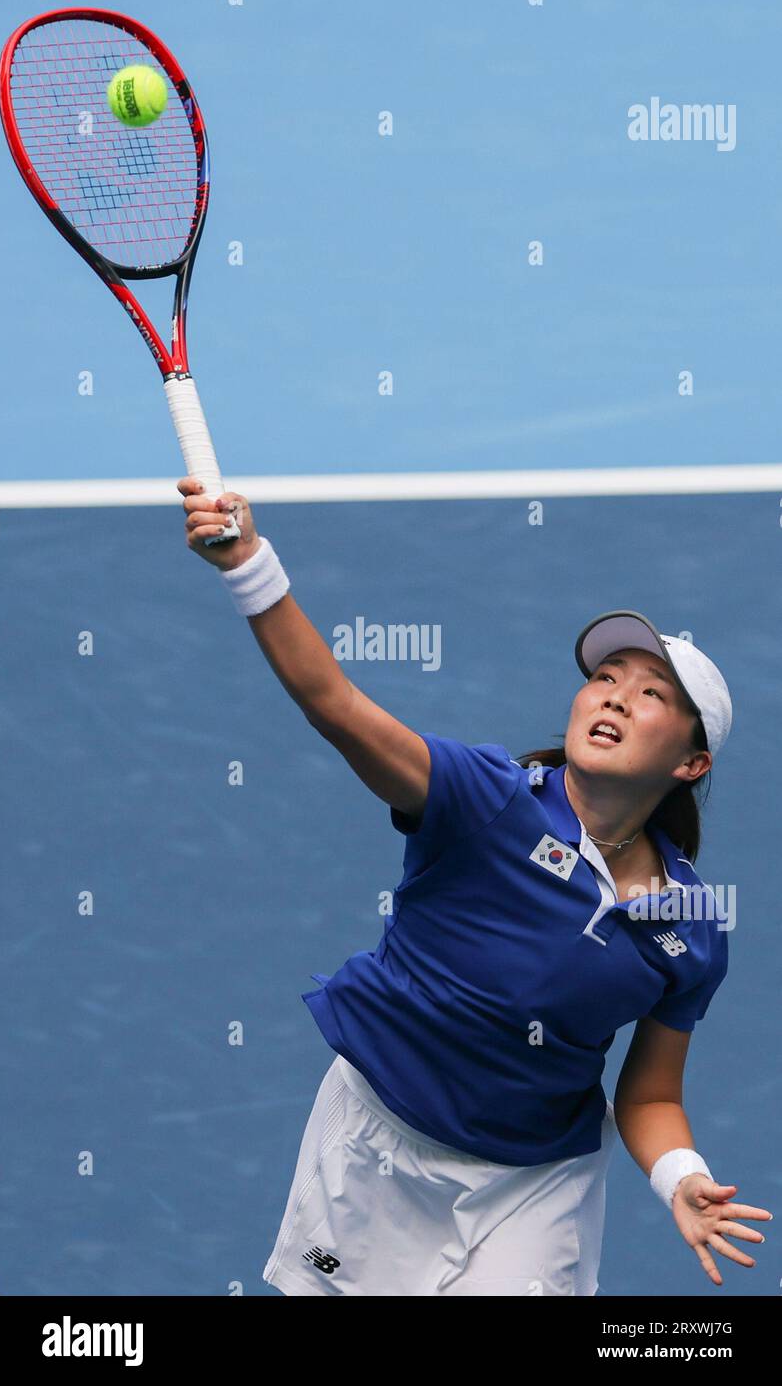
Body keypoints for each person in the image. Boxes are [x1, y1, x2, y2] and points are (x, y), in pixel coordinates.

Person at [179, 479, 772, 1297]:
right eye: (607, 677)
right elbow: (335, 704)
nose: (615, 695)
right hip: (370, 1149)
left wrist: (681, 1176)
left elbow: (649, 1091)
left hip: (531, 1187)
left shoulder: (690, 928)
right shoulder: (483, 797)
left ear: (690, 763)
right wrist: (250, 564)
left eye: (652, 694)